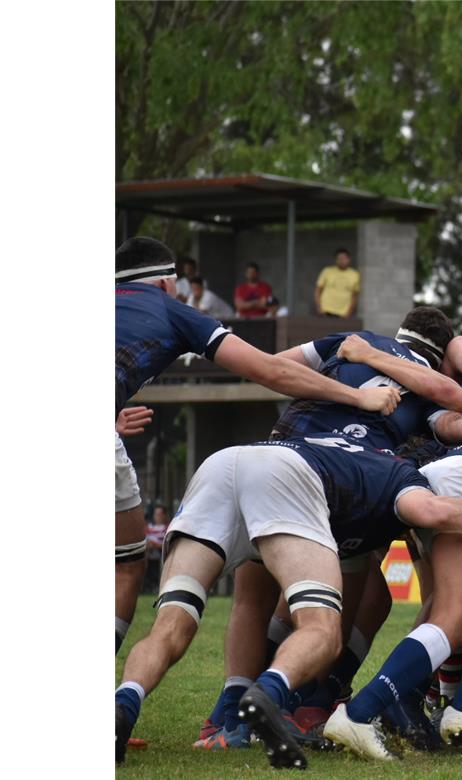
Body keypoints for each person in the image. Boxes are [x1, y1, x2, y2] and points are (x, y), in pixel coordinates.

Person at [114, 433, 462, 768]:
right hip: (286, 477)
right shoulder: (403, 474)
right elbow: (432, 513)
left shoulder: (347, 454)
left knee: (174, 621)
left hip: (225, 461)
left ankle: (124, 703)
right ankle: (267, 695)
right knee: (321, 628)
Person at [116, 237, 399, 656]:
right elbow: (271, 370)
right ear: (163, 285)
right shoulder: (173, 310)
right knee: (124, 565)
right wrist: (360, 397)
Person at [316, 247, 361, 318]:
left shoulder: (354, 274)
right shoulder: (327, 271)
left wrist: (349, 312)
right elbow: (318, 290)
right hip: (326, 310)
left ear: (349, 259)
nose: (342, 261)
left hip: (344, 313)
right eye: (339, 259)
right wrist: (319, 308)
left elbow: (355, 296)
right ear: (335, 260)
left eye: (344, 259)